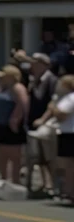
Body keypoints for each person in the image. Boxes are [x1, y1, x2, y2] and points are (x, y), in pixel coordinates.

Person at [24, 52, 58, 195]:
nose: (32, 65)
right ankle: (44, 184)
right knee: (38, 157)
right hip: (33, 123)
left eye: (36, 62)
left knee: (50, 156)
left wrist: (43, 119)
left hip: (46, 124)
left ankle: (53, 186)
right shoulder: (33, 80)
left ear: (44, 64)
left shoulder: (52, 80)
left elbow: (53, 102)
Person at [0, 64, 29, 185]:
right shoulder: (1, 87)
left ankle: (15, 181)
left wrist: (15, 119)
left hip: (12, 125)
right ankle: (3, 180)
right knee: (2, 154)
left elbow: (23, 104)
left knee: (14, 155)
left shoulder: (17, 88)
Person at [51, 74, 74, 203]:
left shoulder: (70, 98)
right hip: (68, 133)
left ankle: (69, 193)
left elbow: (61, 114)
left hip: (69, 133)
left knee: (68, 166)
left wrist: (54, 107)